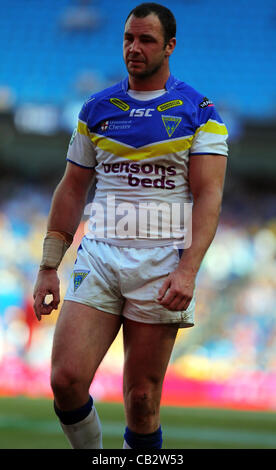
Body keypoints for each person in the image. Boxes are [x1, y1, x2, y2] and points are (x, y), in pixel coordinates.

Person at [33, 2, 228, 449]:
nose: (134, 48)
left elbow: (209, 198)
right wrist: (49, 264)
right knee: (65, 380)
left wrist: (188, 269)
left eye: (146, 40)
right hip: (100, 255)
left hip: (162, 264)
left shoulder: (201, 113)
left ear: (170, 46)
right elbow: (70, 188)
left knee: (142, 400)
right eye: (128, 39)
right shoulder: (96, 108)